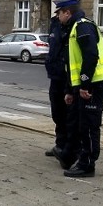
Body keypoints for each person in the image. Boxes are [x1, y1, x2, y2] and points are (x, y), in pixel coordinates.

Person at [54, 0, 103, 177]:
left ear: (68, 12)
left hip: (95, 84)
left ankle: (88, 164)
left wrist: (85, 86)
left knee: (89, 126)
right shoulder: (74, 28)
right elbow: (73, 65)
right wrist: (71, 90)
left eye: (59, 13)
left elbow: (91, 56)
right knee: (81, 124)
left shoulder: (83, 27)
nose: (57, 17)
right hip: (87, 85)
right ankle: (82, 159)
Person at [44, 15, 70, 158]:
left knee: (67, 114)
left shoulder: (74, 26)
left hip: (67, 77)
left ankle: (68, 148)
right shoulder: (55, 24)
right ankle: (60, 145)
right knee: (57, 113)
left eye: (60, 10)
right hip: (55, 76)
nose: (58, 13)